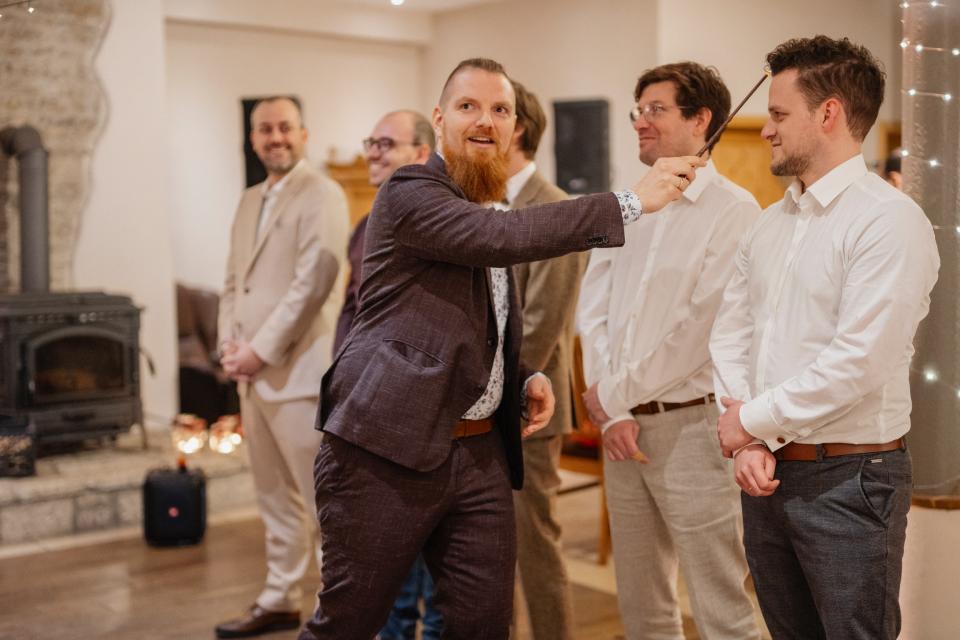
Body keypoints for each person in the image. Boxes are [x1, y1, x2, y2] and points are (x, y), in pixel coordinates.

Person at [297, 58, 704, 640]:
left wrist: (521, 376)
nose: (485, 120)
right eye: (468, 106)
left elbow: (468, 321)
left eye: (500, 109)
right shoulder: (410, 190)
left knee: (486, 625)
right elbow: (503, 239)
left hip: (481, 454)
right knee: (347, 623)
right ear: (440, 119)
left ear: (515, 127)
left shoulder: (489, 207)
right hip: (384, 449)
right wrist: (630, 202)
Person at [710, 36, 939, 639]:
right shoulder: (768, 225)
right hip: (764, 473)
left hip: (851, 480)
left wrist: (752, 423)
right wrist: (750, 437)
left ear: (829, 113)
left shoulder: (888, 221)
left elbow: (859, 360)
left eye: (779, 114)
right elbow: (731, 333)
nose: (766, 130)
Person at [578, 61, 761, 639]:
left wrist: (612, 395)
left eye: (655, 109)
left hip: (693, 429)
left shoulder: (735, 210)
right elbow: (594, 306)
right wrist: (615, 412)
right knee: (642, 602)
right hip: (622, 429)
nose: (640, 121)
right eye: (639, 110)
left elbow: (699, 333)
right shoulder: (626, 205)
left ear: (701, 119)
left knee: (719, 605)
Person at [215, 96, 349, 639]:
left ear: (303, 134)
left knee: (322, 503)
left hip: (300, 373)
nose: (276, 137)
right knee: (272, 497)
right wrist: (230, 345)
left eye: (285, 128)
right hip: (251, 375)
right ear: (253, 139)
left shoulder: (323, 193)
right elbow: (233, 280)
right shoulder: (249, 199)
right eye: (265, 129)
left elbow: (313, 283)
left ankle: (336, 609)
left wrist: (261, 350)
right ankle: (278, 596)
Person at [331, 108, 443, 640]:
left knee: (430, 563)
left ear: (421, 154)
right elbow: (352, 312)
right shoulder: (363, 226)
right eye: (371, 143)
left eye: (386, 144)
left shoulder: (435, 223)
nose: (373, 153)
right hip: (367, 409)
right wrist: (342, 385)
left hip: (417, 413)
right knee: (387, 560)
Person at [500, 80, 579, 640]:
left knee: (535, 544)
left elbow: (544, 322)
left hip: (529, 406)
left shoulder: (554, 207)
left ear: (518, 128)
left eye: (494, 113)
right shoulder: (479, 204)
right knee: (486, 549)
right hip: (481, 406)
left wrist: (491, 389)